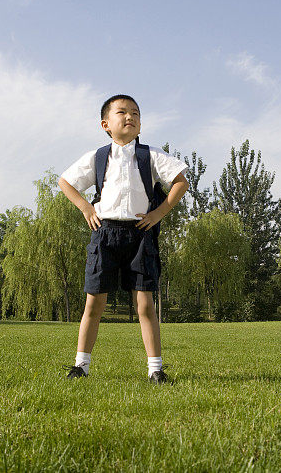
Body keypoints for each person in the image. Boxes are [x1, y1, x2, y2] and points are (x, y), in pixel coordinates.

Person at [57, 94, 188, 384]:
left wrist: (159, 213)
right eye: (122, 112)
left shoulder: (150, 155)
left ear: (140, 125)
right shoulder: (97, 157)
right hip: (104, 234)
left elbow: (181, 181)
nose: (129, 116)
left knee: (145, 304)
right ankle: (81, 365)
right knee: (94, 303)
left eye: (135, 113)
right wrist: (85, 208)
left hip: (140, 234)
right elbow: (65, 182)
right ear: (105, 123)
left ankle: (155, 369)